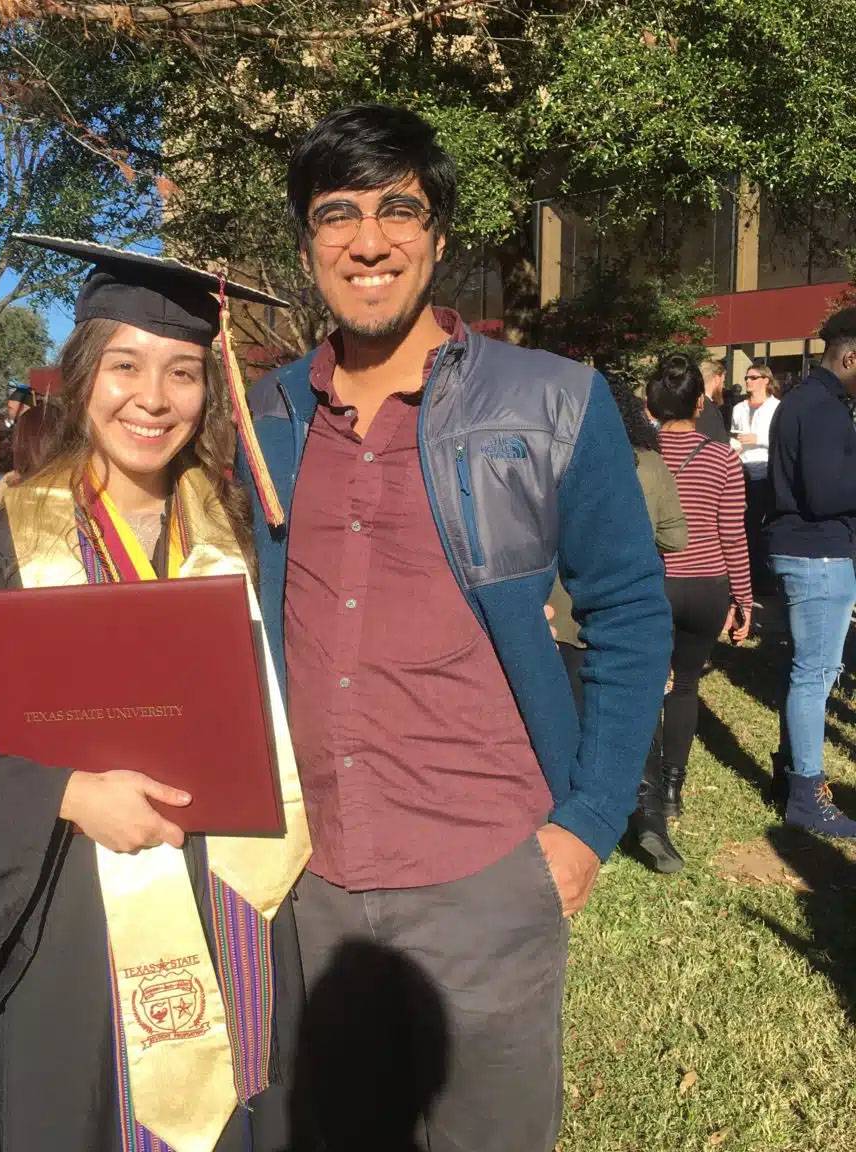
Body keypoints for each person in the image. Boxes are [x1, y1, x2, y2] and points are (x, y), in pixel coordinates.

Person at [244, 105, 671, 1152]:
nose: (369, 239)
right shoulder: (264, 418)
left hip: (487, 871)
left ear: (439, 235)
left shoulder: (555, 402)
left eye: (401, 209)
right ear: (307, 244)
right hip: (309, 882)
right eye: (336, 214)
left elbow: (628, 614)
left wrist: (585, 828)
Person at [0, 241, 309, 1152]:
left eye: (183, 371)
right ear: (81, 376)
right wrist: (62, 794)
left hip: (241, 913)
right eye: (125, 365)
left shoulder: (246, 536)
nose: (153, 397)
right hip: (71, 916)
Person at [643, 354, 751, 854]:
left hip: (653, 583)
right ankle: (672, 788)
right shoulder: (723, 457)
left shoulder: (638, 456)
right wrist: (744, 598)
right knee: (685, 685)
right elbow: (734, 535)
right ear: (701, 401)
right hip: (708, 585)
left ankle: (643, 787)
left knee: (645, 685)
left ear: (652, 404)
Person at [765, 307, 856, 835]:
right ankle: (807, 794)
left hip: (806, 551)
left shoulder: (804, 400)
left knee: (808, 670)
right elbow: (825, 495)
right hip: (818, 554)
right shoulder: (822, 408)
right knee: (815, 674)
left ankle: (790, 774)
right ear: (849, 356)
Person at [550, 374, 687, 710]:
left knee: (567, 712)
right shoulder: (650, 463)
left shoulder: (555, 459)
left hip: (564, 607)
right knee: (626, 712)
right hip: (628, 603)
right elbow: (676, 537)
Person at [730, 362, 780, 589]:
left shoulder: (777, 407)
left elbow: (783, 441)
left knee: (761, 525)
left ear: (766, 380)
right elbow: (735, 435)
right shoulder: (738, 408)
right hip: (741, 472)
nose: (748, 381)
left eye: (753, 377)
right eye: (747, 377)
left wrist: (757, 439)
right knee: (744, 525)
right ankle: (747, 575)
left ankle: (764, 576)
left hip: (765, 472)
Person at [696, 356, 731, 443]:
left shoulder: (694, 403)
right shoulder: (708, 408)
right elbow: (716, 440)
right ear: (717, 379)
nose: (723, 387)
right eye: (723, 382)